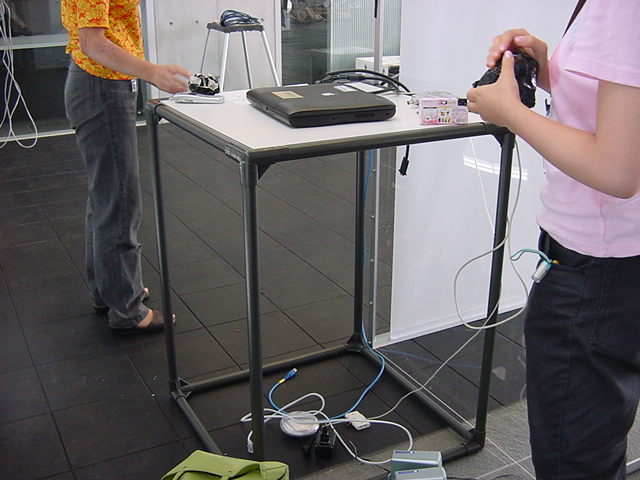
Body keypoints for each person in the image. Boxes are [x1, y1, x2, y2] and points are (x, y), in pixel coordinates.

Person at [466, 1, 640, 479]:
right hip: (616, 261)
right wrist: (549, 70)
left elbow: (617, 171)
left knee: (574, 459)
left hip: (597, 271)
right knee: (596, 434)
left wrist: (510, 113)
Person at [61, 0, 190, 334]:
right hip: (101, 85)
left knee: (106, 196)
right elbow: (93, 42)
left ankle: (110, 291)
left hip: (99, 83)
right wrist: (152, 72)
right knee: (119, 199)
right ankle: (128, 310)